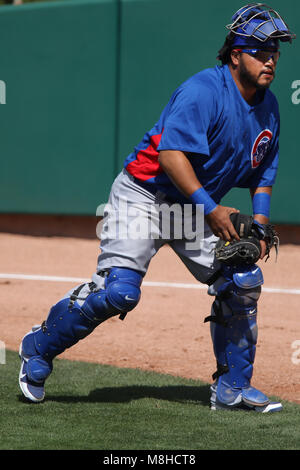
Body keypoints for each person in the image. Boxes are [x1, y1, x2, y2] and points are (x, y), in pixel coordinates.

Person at [19, 3, 295, 411]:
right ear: (236, 54)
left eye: (275, 51)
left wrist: (258, 223)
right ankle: (38, 346)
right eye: (259, 50)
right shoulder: (203, 91)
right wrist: (213, 210)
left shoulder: (269, 106)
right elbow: (170, 157)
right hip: (144, 197)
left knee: (242, 281)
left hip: (193, 207)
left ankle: (232, 388)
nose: (270, 59)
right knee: (119, 293)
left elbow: (263, 173)